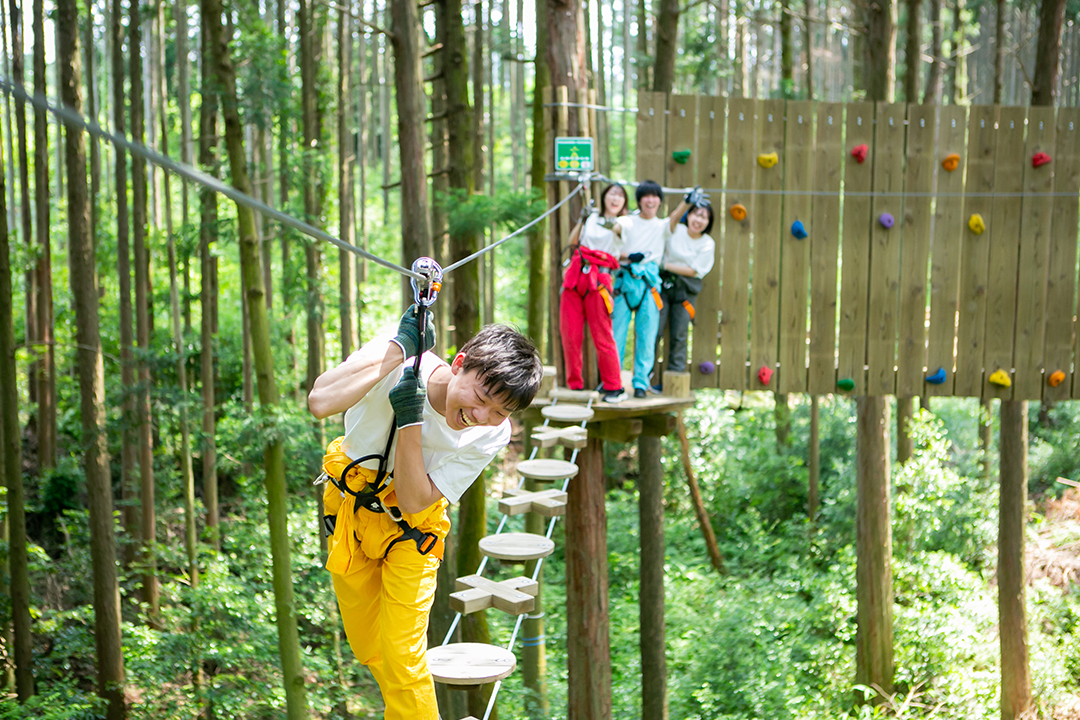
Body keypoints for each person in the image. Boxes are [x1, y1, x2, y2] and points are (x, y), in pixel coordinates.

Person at [307, 309, 543, 720]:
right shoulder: (395, 356)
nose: (481, 417)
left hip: (413, 531)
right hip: (351, 511)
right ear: (458, 365)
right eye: (482, 399)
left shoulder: (492, 432)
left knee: (402, 654)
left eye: (500, 412)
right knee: (368, 646)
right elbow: (320, 402)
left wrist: (410, 421)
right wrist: (399, 350)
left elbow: (418, 500)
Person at [560, 183, 629, 403]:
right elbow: (573, 243)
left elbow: (620, 232)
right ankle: (575, 385)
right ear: (604, 196)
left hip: (599, 280)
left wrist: (610, 224)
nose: (615, 198)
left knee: (603, 334)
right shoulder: (590, 219)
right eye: (612, 194)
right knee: (570, 333)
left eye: (620, 195)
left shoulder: (624, 223)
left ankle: (613, 387)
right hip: (576, 275)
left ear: (624, 202)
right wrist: (583, 219)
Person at [652, 188, 716, 392]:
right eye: (697, 214)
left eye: (704, 217)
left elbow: (694, 270)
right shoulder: (675, 230)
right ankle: (644, 378)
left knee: (679, 335)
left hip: (685, 294)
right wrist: (686, 203)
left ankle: (673, 382)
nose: (699, 220)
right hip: (662, 287)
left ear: (709, 222)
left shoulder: (707, 243)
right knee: (654, 330)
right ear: (689, 216)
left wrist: (666, 265)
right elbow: (671, 220)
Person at [612, 180, 667, 398]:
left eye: (655, 196)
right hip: (625, 280)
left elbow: (675, 222)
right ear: (639, 200)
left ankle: (641, 382)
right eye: (646, 196)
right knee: (617, 334)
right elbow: (616, 230)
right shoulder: (627, 221)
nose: (650, 200)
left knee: (647, 335)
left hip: (649, 283)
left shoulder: (663, 226)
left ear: (660, 201)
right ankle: (612, 379)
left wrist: (686, 202)